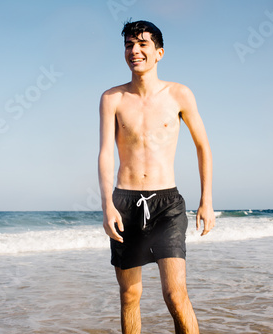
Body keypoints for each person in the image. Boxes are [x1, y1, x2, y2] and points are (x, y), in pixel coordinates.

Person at [98, 20, 215, 334]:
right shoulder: (113, 98)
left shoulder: (179, 94)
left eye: (142, 44)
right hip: (125, 202)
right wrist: (107, 204)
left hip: (167, 205)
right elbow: (106, 153)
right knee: (130, 295)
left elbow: (203, 146)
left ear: (159, 52)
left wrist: (207, 201)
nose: (134, 51)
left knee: (175, 295)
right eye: (128, 45)